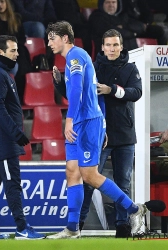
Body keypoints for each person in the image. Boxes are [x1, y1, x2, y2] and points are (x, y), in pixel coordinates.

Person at [45, 21, 146, 239]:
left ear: (64, 38)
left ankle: (135, 210)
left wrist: (69, 119)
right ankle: (72, 228)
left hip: (87, 123)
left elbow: (78, 89)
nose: (49, 42)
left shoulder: (75, 56)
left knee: (90, 175)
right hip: (83, 121)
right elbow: (79, 90)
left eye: (52, 38)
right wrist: (59, 83)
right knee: (72, 172)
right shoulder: (75, 58)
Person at [0, 35, 45, 240]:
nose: (17, 54)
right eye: (13, 50)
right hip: (3, 141)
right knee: (12, 185)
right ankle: (22, 228)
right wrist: (15, 132)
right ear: (1, 53)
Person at [78, 29, 143, 238]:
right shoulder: (94, 68)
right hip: (99, 136)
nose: (112, 49)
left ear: (121, 46)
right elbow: (79, 93)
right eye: (108, 45)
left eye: (115, 45)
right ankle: (77, 225)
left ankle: (122, 226)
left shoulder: (131, 69)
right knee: (89, 180)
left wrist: (112, 89)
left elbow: (136, 93)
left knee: (123, 182)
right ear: (102, 47)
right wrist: (59, 83)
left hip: (125, 136)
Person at [0, 0, 32, 102]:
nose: (0, 5)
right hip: (1, 52)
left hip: (17, 50)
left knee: (22, 63)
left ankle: (21, 98)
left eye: (2, 2)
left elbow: (22, 38)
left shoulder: (16, 18)